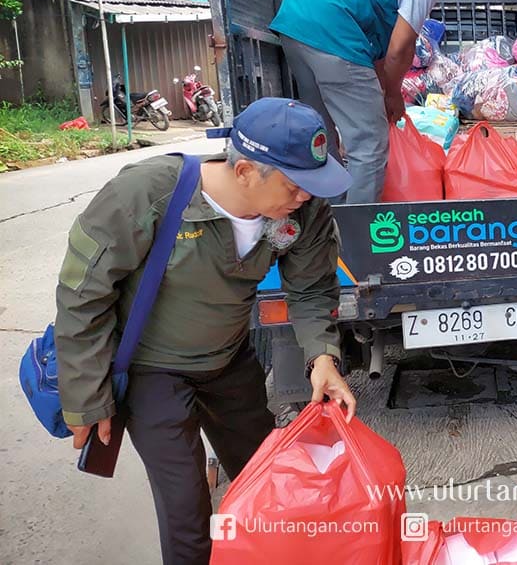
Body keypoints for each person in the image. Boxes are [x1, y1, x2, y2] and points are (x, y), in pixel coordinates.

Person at [55, 98, 357, 564]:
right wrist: (85, 397)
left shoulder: (302, 212)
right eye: (296, 185)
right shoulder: (148, 192)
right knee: (187, 514)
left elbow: (314, 287)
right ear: (244, 173)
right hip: (152, 371)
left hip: (229, 361)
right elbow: (83, 294)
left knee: (269, 477)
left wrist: (323, 358)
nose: (305, 197)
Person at [271, 0, 484, 203]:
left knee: (320, 137)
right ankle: (357, 239)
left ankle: (331, 222)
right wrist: (393, 94)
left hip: (294, 24)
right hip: (334, 31)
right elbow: (400, 48)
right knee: (369, 147)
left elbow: (383, 53)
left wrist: (383, 87)